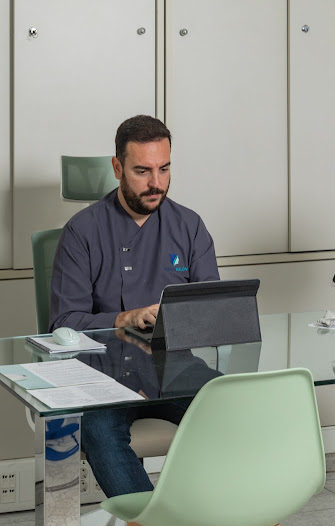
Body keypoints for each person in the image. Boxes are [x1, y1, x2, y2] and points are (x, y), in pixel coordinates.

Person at [49, 114, 218, 497]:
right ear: (117, 168)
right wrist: (125, 318)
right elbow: (63, 324)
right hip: (103, 378)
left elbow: (211, 310)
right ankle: (148, 522)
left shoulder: (189, 226)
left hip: (175, 372)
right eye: (142, 171)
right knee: (97, 429)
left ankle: (240, 516)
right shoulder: (82, 231)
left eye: (164, 169)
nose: (156, 182)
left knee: (234, 405)